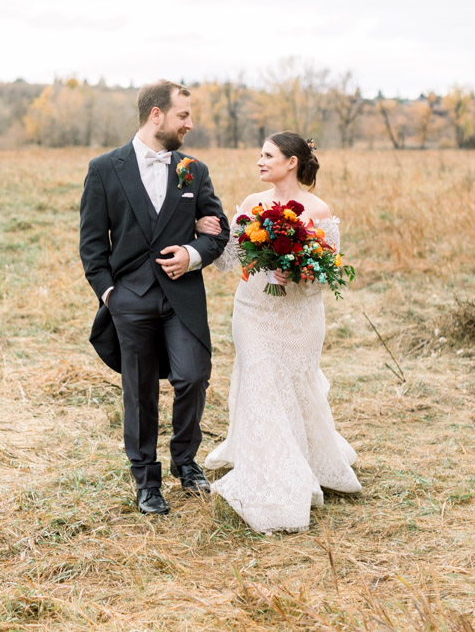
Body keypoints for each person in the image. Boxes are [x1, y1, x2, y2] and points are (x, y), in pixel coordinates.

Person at [80, 79, 229, 515]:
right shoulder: (104, 168)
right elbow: (92, 243)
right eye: (184, 115)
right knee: (140, 391)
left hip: (181, 298)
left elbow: (217, 229)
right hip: (129, 299)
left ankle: (186, 461)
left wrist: (192, 253)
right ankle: (147, 481)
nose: (191, 123)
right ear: (156, 114)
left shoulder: (193, 170)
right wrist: (110, 294)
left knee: (193, 375)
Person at [203, 131, 361, 533]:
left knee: (294, 383)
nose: (259, 161)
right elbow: (228, 261)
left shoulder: (318, 209)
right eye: (259, 154)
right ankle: (271, 473)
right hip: (254, 310)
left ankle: (300, 458)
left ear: (292, 161)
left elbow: (327, 274)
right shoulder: (251, 204)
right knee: (259, 379)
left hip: (299, 315)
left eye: (268, 155)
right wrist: (210, 231)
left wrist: (295, 272)